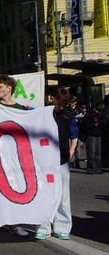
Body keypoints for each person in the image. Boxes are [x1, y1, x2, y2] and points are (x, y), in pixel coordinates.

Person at [0, 74, 30, 237]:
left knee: (15, 188)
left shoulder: (22, 110)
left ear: (9, 88)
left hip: (15, 157)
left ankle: (15, 223)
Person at [36, 87, 78, 240]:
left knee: (63, 196)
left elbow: (74, 135)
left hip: (62, 160)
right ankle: (43, 227)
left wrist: (72, 150)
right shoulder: (42, 113)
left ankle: (63, 227)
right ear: (51, 98)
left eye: (63, 102)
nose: (60, 105)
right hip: (45, 160)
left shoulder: (69, 115)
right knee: (44, 194)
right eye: (58, 101)